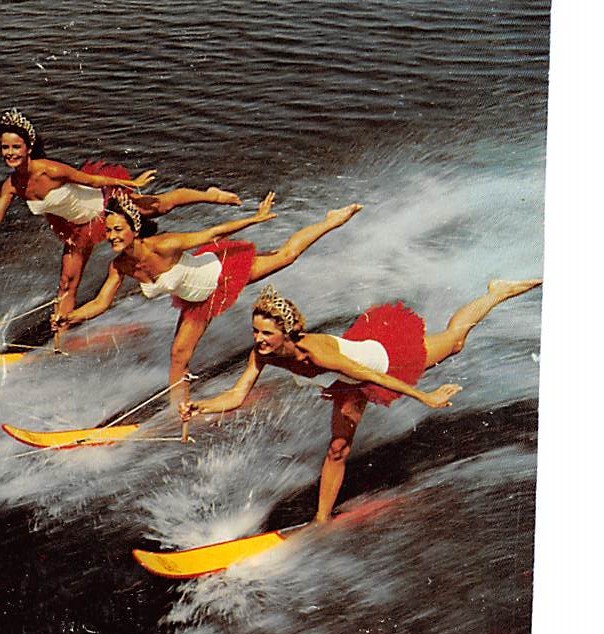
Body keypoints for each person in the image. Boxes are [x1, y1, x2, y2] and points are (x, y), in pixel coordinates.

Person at [180, 279, 542, 522]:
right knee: (338, 448)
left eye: (267, 333)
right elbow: (237, 393)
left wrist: (425, 396)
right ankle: (321, 521)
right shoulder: (264, 354)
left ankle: (495, 292)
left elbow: (376, 377)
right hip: (348, 382)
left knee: (455, 339)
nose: (258, 339)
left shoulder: (317, 353)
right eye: (256, 331)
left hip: (382, 359)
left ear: (287, 333)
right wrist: (201, 406)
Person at [54, 192, 362, 408]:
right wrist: (71, 317)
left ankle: (332, 220)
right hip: (197, 301)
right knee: (178, 356)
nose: (112, 237)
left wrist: (256, 219)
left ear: (134, 229)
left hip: (220, 273)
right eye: (108, 232)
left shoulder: (165, 245)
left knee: (287, 255)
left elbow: (214, 232)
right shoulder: (119, 266)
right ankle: (179, 412)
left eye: (118, 230)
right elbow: (101, 302)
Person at [0, 108, 241, 317]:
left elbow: (92, 180)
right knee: (66, 283)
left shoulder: (50, 170)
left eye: (16, 147)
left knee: (160, 205)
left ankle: (210, 194)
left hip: (105, 205)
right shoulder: (10, 186)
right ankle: (60, 340)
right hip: (77, 228)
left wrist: (133, 185)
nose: (10, 153)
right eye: (4, 148)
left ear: (28, 147)